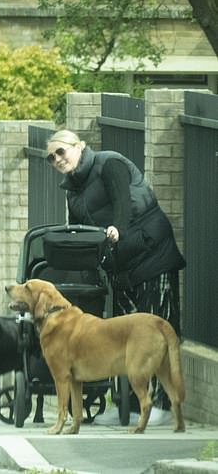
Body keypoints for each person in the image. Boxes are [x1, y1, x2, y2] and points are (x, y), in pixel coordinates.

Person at [46, 129, 186, 426]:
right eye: (50, 157)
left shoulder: (109, 163)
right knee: (121, 339)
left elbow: (122, 203)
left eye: (61, 151)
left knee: (155, 325)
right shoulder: (72, 190)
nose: (56, 159)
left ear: (79, 146)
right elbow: (80, 235)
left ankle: (159, 403)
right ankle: (128, 405)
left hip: (150, 253)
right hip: (120, 266)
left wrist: (117, 229)